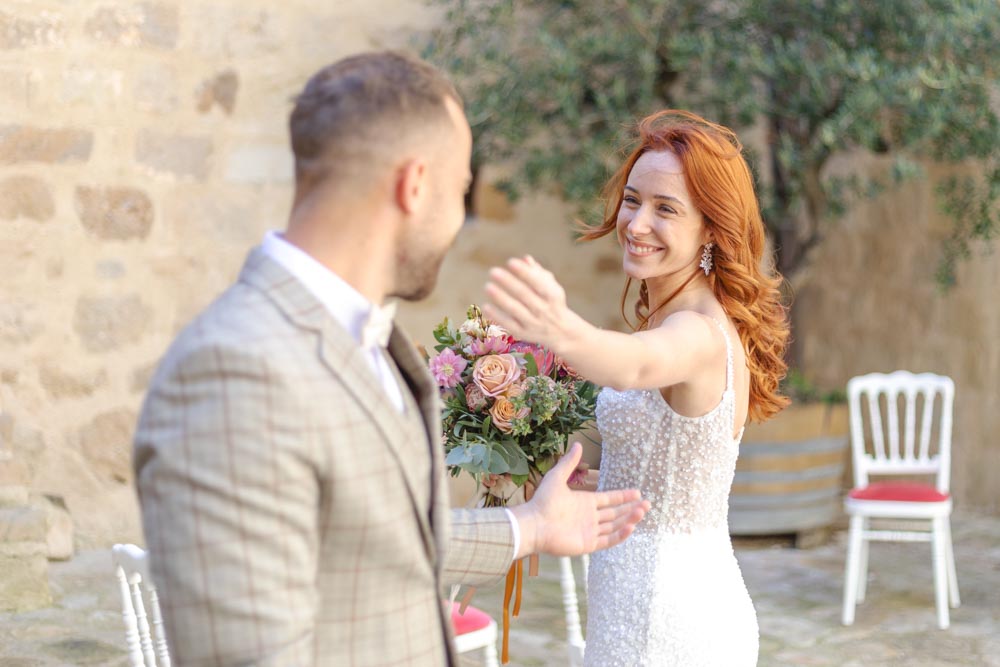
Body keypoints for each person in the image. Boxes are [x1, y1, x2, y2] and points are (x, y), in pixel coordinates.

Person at [133, 51, 649, 666]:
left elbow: (375, 537)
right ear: (414, 185)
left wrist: (530, 527)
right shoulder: (231, 372)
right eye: (460, 191)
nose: (459, 219)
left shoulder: (362, 339)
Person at [484, 109, 790, 666]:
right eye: (632, 199)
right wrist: (603, 481)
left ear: (712, 231)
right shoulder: (673, 315)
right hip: (633, 596)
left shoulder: (696, 332)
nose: (637, 223)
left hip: (667, 615)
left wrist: (557, 327)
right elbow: (669, 473)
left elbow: (631, 366)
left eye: (665, 208)